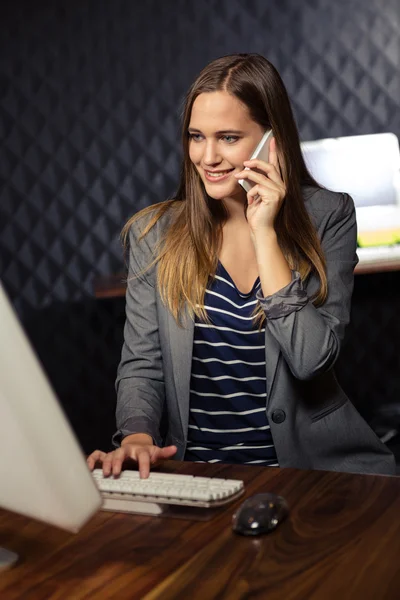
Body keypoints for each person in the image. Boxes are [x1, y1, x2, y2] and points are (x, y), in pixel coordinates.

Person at [87, 53, 395, 479]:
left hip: (312, 472)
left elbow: (311, 360)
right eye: (197, 136)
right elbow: (143, 362)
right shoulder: (152, 234)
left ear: (273, 140)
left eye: (228, 138)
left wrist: (264, 232)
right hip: (201, 473)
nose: (207, 156)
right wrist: (137, 435)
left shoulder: (329, 216)